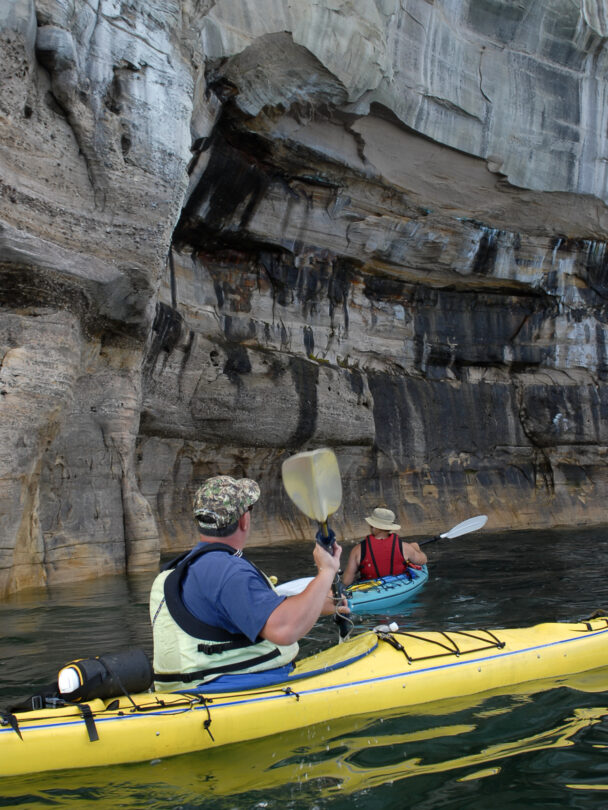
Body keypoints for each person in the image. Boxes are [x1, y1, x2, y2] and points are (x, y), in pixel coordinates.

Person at [150, 474, 349, 692]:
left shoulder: (183, 568)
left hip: (186, 689)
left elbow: (238, 612)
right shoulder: (228, 571)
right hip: (227, 691)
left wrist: (320, 602)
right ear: (244, 520)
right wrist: (326, 571)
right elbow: (285, 630)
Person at [341, 506, 427, 587]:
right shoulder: (405, 547)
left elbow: (346, 581)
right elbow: (422, 561)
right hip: (399, 586)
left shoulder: (357, 550)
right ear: (390, 527)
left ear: (373, 526)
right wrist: (416, 548)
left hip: (370, 591)